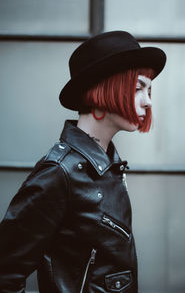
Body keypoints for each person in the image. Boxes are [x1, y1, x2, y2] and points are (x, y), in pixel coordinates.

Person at [0, 31, 166, 293]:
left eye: (149, 90)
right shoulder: (60, 173)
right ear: (104, 88)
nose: (148, 101)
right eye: (137, 88)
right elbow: (5, 272)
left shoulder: (110, 165)